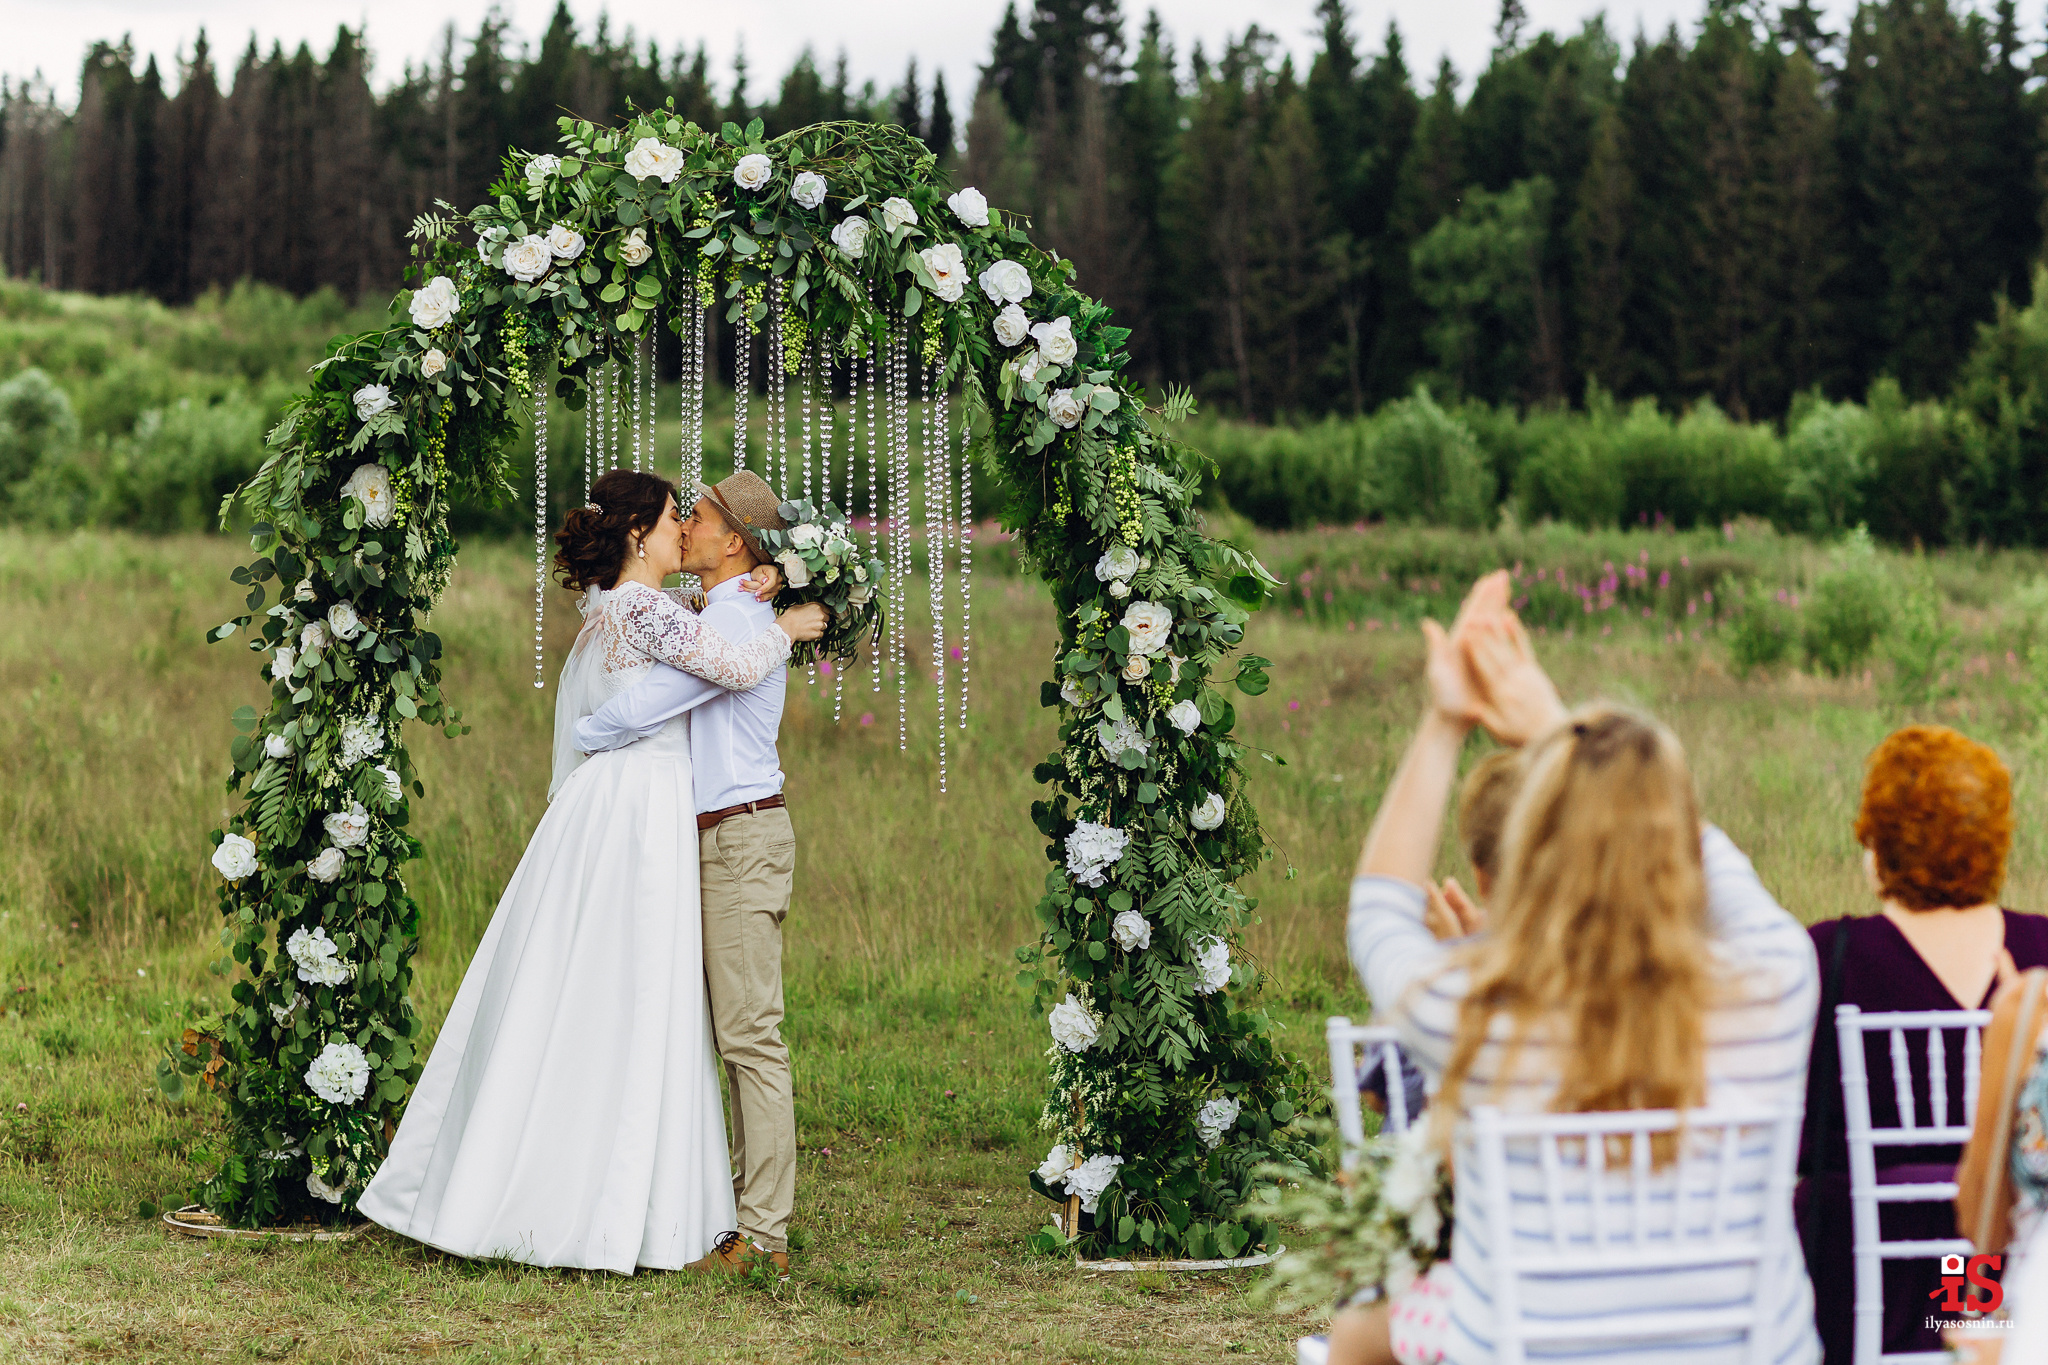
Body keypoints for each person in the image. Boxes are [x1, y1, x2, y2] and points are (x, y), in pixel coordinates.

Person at [355, 469, 829, 1274]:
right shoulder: (654, 608)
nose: (686, 527)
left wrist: (764, 592)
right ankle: (631, 1199)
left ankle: (730, 1220)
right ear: (641, 533)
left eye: (697, 516)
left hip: (658, 812)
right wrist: (787, 624)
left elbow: (694, 660)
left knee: (629, 999)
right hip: (641, 809)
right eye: (679, 514)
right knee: (633, 996)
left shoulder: (650, 607)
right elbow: (711, 671)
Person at [1346, 570, 1819, 1364]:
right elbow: (1721, 876)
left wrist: (1446, 718)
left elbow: (1378, 913)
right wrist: (1561, 732)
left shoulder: (1472, 1014)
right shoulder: (1775, 982)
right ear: (1674, 845)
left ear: (1533, 848)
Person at [574, 471, 805, 1279]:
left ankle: (764, 1234)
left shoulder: (740, 620)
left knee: (748, 1037)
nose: (687, 527)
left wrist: (587, 734)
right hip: (708, 839)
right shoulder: (719, 608)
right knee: (716, 1034)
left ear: (734, 539)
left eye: (697, 517)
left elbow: (649, 704)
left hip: (740, 838)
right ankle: (733, 1215)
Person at [1796, 725, 2048, 1362]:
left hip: (1863, 1286)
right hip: (1994, 1277)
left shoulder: (1830, 954)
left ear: (1879, 847)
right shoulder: (2041, 953)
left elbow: (1800, 1136)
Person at [1327, 748, 1522, 1365]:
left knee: (1355, 1333)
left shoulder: (1458, 1008)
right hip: (1658, 1317)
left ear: (1482, 877)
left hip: (1512, 1316)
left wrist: (1460, 965)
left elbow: (1394, 1105)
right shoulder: (1689, 998)